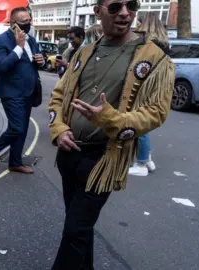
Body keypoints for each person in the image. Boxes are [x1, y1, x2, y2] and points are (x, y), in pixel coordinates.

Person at [47, 0, 175, 268]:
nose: (125, 12)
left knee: (74, 230)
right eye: (116, 6)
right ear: (98, 12)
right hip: (68, 155)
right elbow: (58, 96)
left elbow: (156, 112)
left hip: (103, 160)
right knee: (80, 228)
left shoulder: (153, 57)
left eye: (132, 4)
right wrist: (58, 129)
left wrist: (111, 119)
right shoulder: (84, 52)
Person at [0, 7, 45, 174]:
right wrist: (19, 47)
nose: (28, 24)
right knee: (17, 128)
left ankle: (15, 162)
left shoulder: (32, 40)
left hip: (29, 91)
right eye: (24, 22)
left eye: (29, 21)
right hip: (11, 92)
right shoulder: (0, 40)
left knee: (23, 129)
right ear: (13, 24)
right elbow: (3, 65)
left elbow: (34, 63)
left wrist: (40, 60)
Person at [128, 12, 169, 176]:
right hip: (158, 86)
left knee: (140, 124)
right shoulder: (163, 42)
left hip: (145, 86)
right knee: (145, 121)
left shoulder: (148, 43)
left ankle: (142, 164)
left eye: (139, 22)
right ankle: (148, 159)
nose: (137, 26)